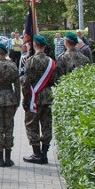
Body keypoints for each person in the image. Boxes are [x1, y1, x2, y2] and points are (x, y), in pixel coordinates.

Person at [21, 36, 57, 165]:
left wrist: (25, 98)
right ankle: (44, 154)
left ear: (35, 45)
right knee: (47, 125)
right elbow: (54, 80)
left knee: (32, 124)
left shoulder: (30, 61)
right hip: (47, 96)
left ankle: (36, 154)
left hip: (33, 97)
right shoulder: (51, 61)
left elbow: (26, 82)